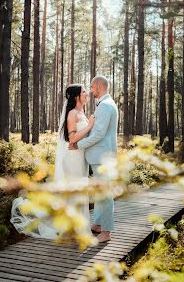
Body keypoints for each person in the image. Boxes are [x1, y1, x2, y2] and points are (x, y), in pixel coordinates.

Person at [11, 84, 94, 239]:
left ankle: (78, 227)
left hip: (81, 160)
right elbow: (72, 138)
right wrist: (89, 126)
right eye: (83, 92)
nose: (86, 93)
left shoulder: (82, 113)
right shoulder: (72, 114)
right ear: (76, 96)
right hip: (72, 160)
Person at [70, 75, 118, 243]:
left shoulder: (105, 106)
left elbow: (98, 134)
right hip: (101, 156)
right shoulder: (105, 104)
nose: (90, 91)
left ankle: (106, 231)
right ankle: (97, 224)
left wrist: (78, 145)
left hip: (103, 157)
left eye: (91, 87)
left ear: (99, 86)